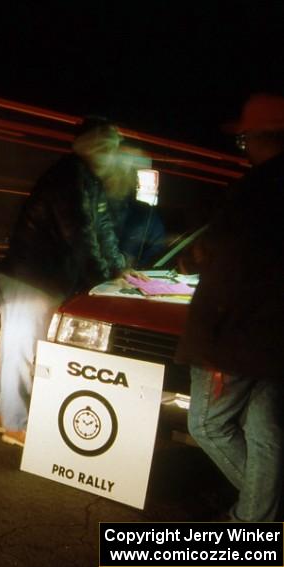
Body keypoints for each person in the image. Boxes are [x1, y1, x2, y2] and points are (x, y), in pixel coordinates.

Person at [0, 117, 131, 447]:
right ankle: (16, 424)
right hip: (32, 277)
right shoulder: (70, 177)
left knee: (26, 349)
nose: (113, 155)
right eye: (108, 147)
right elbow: (79, 232)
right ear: (93, 147)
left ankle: (2, 414)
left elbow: (102, 230)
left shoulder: (87, 179)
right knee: (23, 351)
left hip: (44, 278)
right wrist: (102, 276)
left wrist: (117, 268)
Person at [176, 92, 284, 521]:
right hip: (273, 339)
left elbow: (228, 265)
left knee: (206, 423)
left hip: (238, 336)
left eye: (243, 141)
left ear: (259, 138)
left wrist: (209, 340)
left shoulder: (255, 191)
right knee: (266, 432)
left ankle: (257, 519)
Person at [103, 145, 166, 267]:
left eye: (132, 171)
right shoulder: (94, 204)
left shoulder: (146, 214)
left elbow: (156, 250)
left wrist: (135, 269)